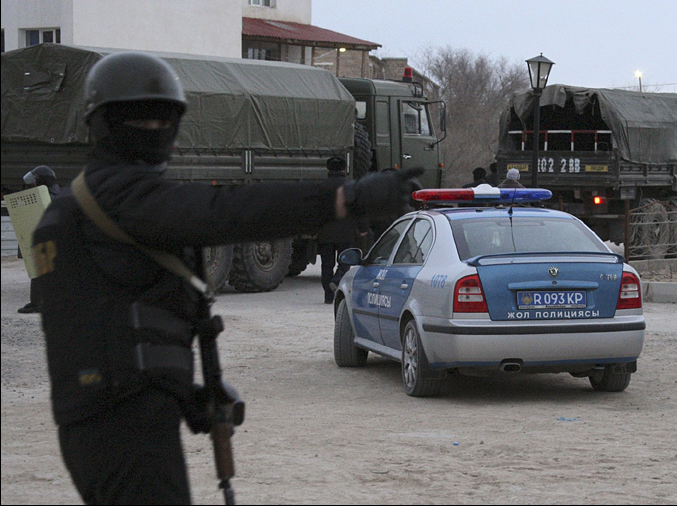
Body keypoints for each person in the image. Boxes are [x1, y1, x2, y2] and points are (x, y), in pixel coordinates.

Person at [31, 51, 421, 504]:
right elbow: (230, 211)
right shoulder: (122, 198)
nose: (156, 133)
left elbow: (104, 320)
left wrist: (181, 391)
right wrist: (346, 198)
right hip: (123, 420)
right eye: (143, 121)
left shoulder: (63, 216)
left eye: (163, 121)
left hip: (104, 413)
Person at [318, 156, 369, 303]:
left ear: (328, 169)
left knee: (326, 264)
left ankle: (328, 296)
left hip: (325, 232)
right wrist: (362, 228)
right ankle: (337, 278)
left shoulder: (321, 187)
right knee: (345, 262)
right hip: (345, 232)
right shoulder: (351, 186)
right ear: (343, 169)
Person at [18, 166, 63, 314]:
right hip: (57, 238)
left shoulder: (45, 196)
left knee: (39, 270)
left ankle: (37, 303)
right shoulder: (59, 194)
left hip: (46, 239)